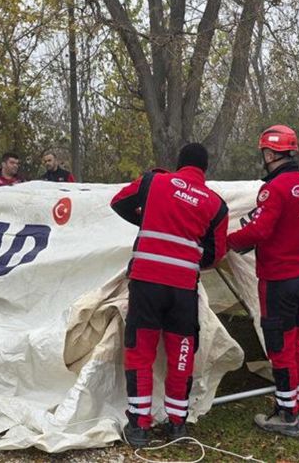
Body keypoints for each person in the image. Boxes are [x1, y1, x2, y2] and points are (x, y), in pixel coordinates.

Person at [110, 143, 229, 448]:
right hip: (182, 289)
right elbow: (216, 254)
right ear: (205, 170)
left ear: (178, 163)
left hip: (146, 283)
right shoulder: (216, 204)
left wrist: (148, 219)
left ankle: (139, 426)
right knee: (181, 354)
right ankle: (177, 425)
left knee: (140, 351)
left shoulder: (155, 181)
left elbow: (119, 201)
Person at [226, 125, 299, 437]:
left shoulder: (273, 189)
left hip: (280, 279)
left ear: (269, 153)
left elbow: (260, 230)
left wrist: (228, 240)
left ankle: (286, 415)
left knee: (279, 347)